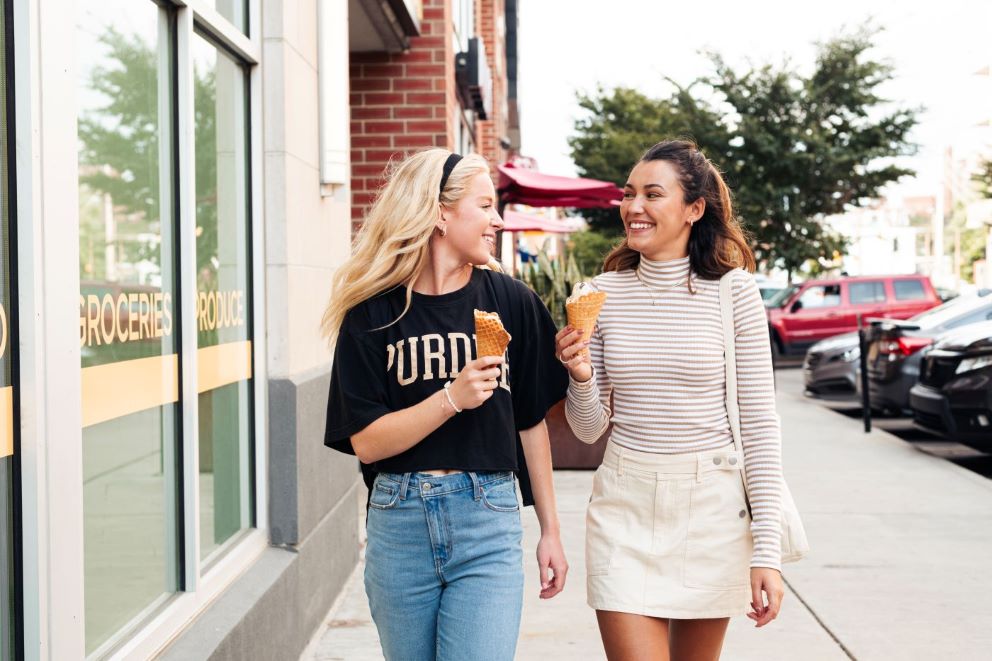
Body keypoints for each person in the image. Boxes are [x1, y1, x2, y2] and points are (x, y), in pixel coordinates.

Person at [322, 149, 569, 661]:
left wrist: (550, 531)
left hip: (489, 521)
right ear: (440, 213)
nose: (496, 219)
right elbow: (367, 443)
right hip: (398, 524)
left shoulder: (513, 303)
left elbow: (531, 426)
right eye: (484, 206)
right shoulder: (371, 314)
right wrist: (451, 399)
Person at [556, 140, 785, 661]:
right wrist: (581, 374)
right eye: (629, 193)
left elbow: (759, 426)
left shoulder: (735, 293)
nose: (634, 207)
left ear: (694, 209)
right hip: (624, 505)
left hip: (711, 508)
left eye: (653, 194)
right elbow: (588, 429)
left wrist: (766, 552)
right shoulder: (599, 294)